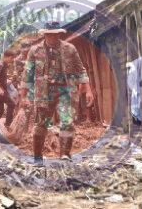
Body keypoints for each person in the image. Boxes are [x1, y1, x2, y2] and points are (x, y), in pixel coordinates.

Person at [21, 22, 93, 165]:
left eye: (55, 34)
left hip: (65, 90)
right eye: (49, 34)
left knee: (67, 122)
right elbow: (27, 74)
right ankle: (37, 157)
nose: (52, 37)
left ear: (59, 34)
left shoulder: (70, 49)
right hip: (44, 92)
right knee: (41, 124)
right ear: (44, 34)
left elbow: (81, 69)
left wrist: (88, 89)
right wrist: (23, 96)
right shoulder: (35, 51)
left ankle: (65, 155)